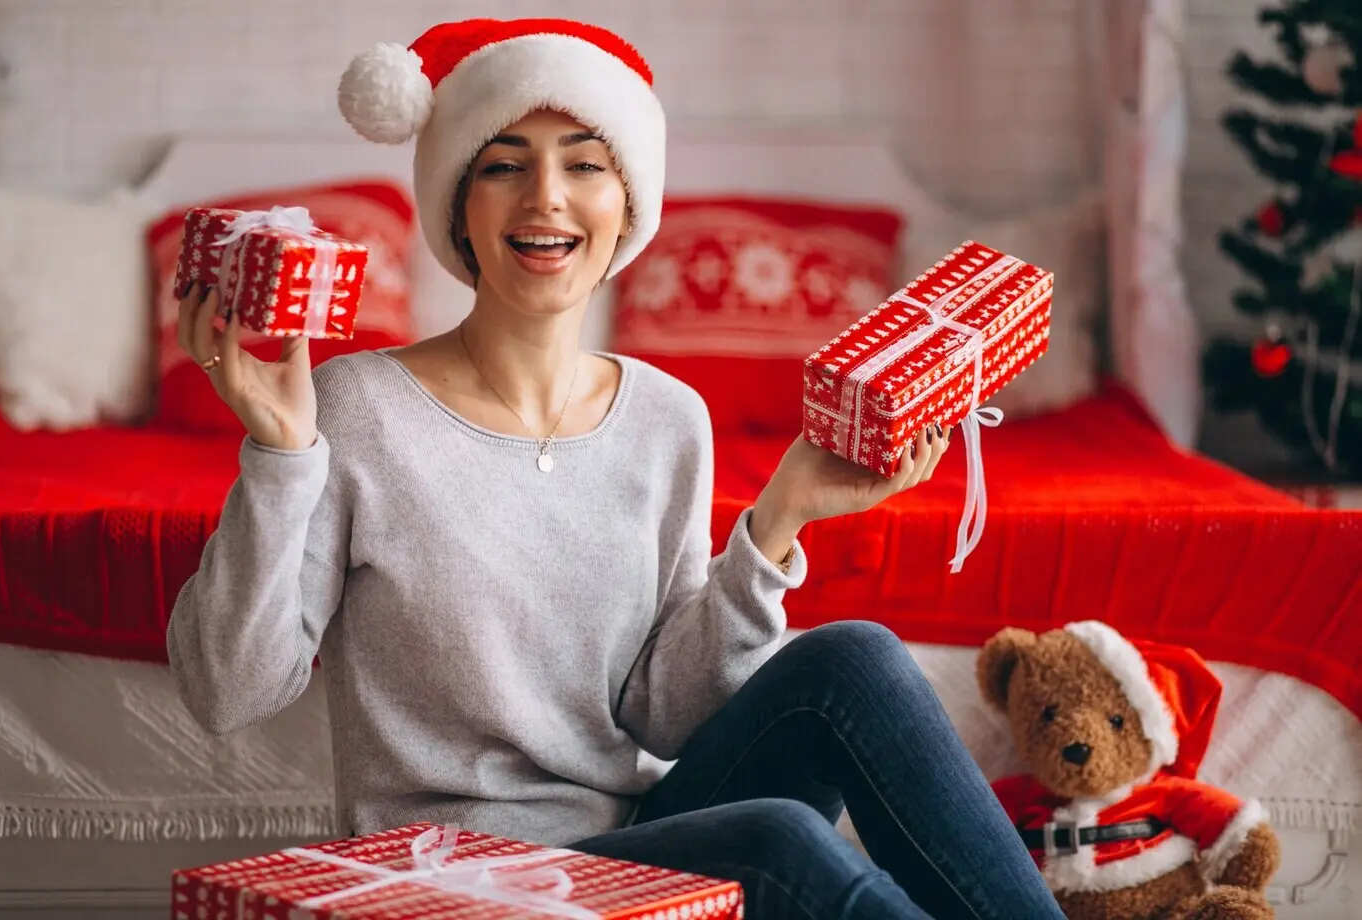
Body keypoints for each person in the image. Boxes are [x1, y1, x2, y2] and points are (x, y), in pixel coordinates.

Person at [166, 17, 1067, 920]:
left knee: (855, 661)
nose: (545, 197)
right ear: (459, 208)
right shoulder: (360, 407)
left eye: (586, 164)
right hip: (462, 879)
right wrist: (281, 456)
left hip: (637, 843)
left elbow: (661, 717)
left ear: (627, 205)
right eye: (504, 164)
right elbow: (228, 692)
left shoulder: (669, 417)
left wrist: (777, 519)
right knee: (779, 843)